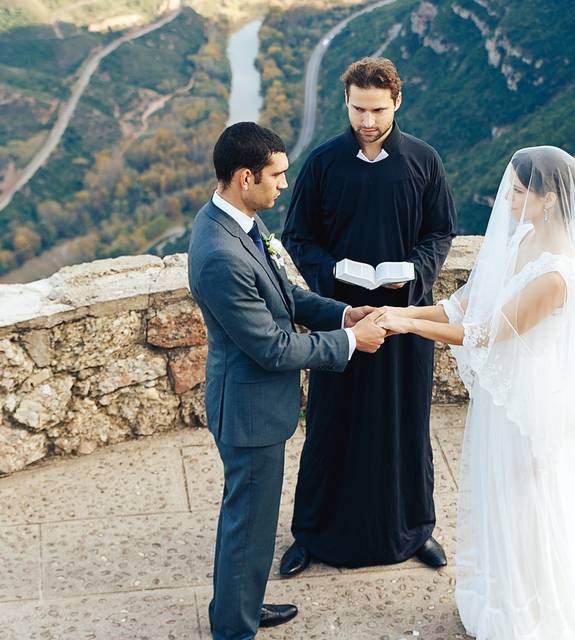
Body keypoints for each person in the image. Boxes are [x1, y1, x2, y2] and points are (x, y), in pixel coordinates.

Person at [377, 147, 575, 639]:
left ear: (548, 200)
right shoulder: (521, 237)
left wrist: (404, 325)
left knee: (528, 507)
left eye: (520, 193)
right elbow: (460, 307)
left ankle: (534, 611)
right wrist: (397, 317)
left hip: (531, 405)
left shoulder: (556, 275)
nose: (508, 200)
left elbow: (486, 331)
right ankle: (508, 594)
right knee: (503, 501)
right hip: (504, 399)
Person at [186, 122, 387, 640]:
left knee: (254, 523)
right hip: (248, 412)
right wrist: (349, 343)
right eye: (275, 176)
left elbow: (287, 298)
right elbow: (271, 346)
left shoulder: (244, 224)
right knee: (246, 523)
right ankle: (233, 629)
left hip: (261, 406)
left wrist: (343, 314)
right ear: (244, 177)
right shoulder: (219, 255)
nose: (283, 185)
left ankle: (244, 607)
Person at [279, 57, 457, 574]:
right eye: (359, 108)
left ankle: (415, 528)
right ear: (347, 103)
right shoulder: (324, 163)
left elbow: (440, 233)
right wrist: (337, 269)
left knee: (405, 424)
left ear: (397, 103)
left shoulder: (424, 161)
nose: (369, 121)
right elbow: (298, 237)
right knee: (332, 425)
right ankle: (311, 534)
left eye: (378, 109)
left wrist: (413, 269)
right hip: (344, 318)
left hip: (405, 320)